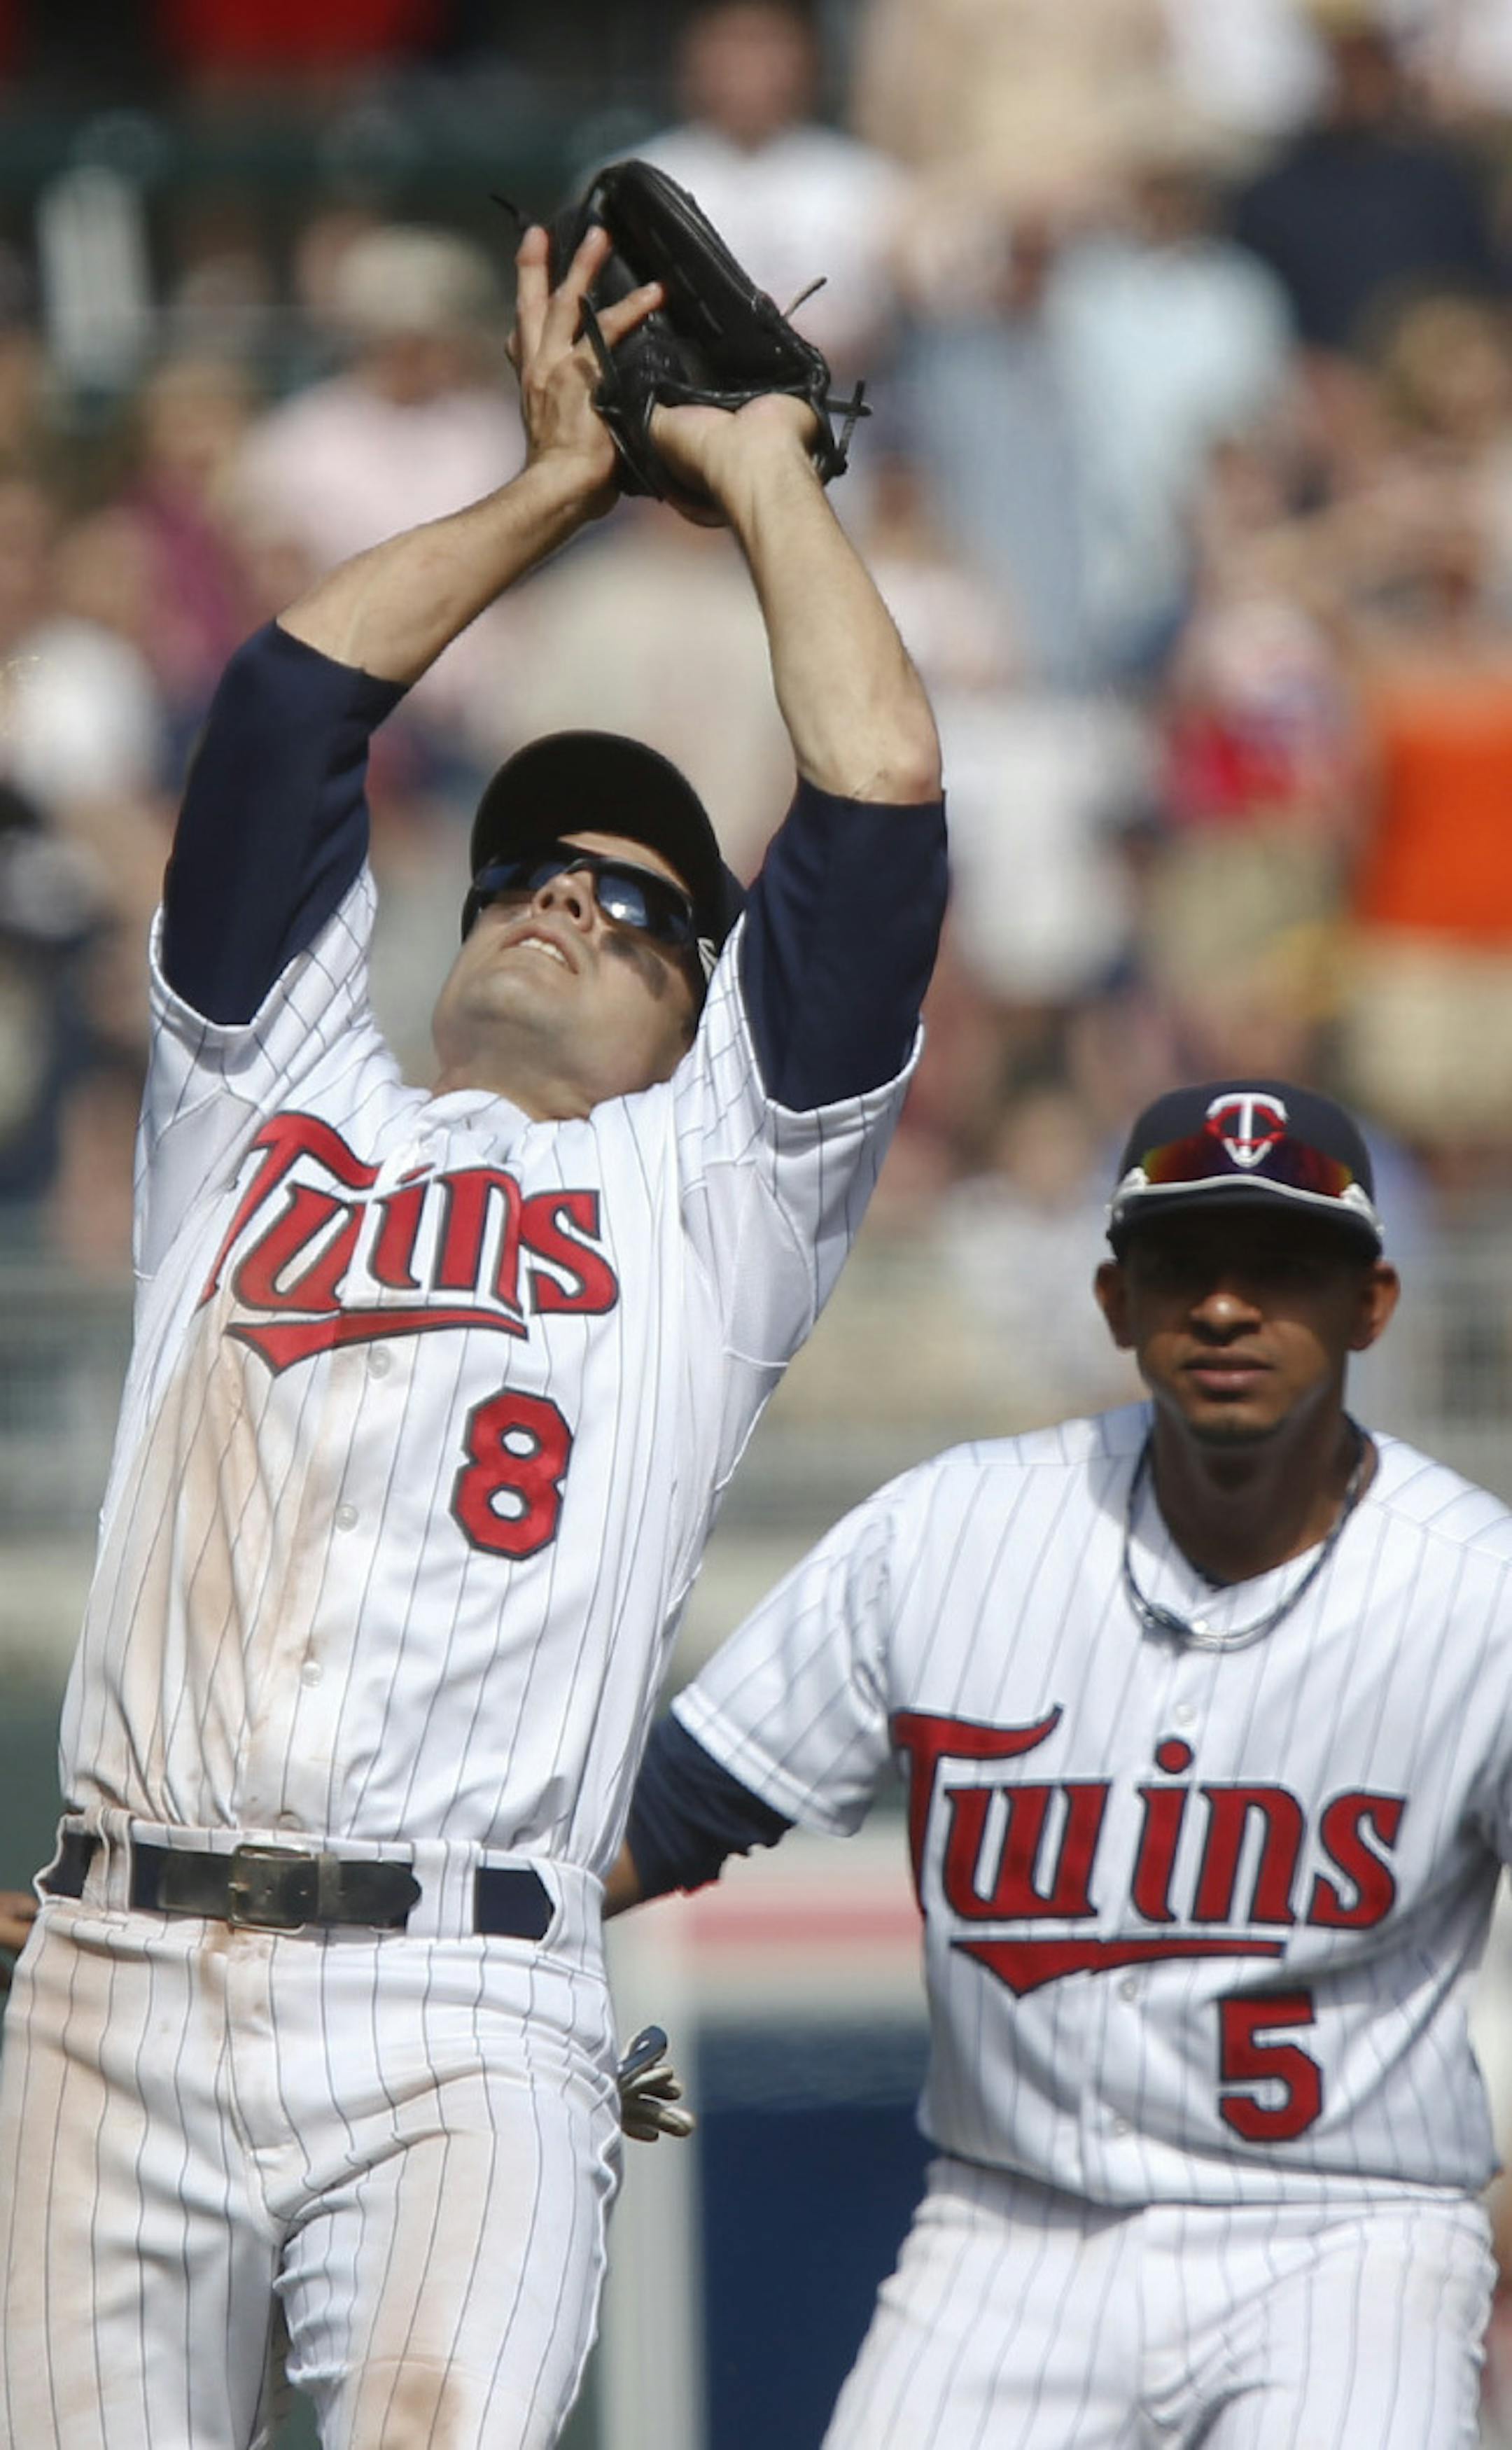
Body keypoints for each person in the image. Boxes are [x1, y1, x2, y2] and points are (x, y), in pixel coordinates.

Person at [0, 219, 946, 2450]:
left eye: (638, 902)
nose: (565, 893)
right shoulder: (270, 1097)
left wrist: (765, 481)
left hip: (462, 1997)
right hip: (118, 1953)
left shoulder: (715, 1191)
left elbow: (880, 808)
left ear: (702, 1010)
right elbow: (284, 712)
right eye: (533, 862)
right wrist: (548, 488)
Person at [612, 1074, 1511, 2446]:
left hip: (1352, 2234)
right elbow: (672, 1812)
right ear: (1114, 1302)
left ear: (1371, 1306)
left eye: (1280, 1267)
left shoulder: (1477, 1593)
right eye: (1181, 1264)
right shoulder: (952, 1532)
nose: (1224, 1303)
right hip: (1010, 2226)